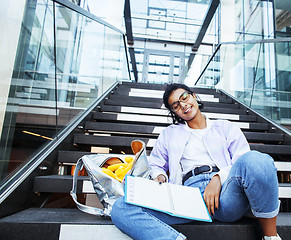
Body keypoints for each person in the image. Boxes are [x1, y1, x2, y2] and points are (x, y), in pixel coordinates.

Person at [111, 83, 281, 240]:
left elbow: (242, 160)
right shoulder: (169, 134)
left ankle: (270, 236)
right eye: (176, 105)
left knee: (257, 160)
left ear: (193, 96)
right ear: (174, 112)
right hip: (188, 198)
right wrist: (160, 176)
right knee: (121, 207)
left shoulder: (225, 127)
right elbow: (156, 163)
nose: (183, 105)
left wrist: (218, 179)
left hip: (227, 194)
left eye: (184, 97)